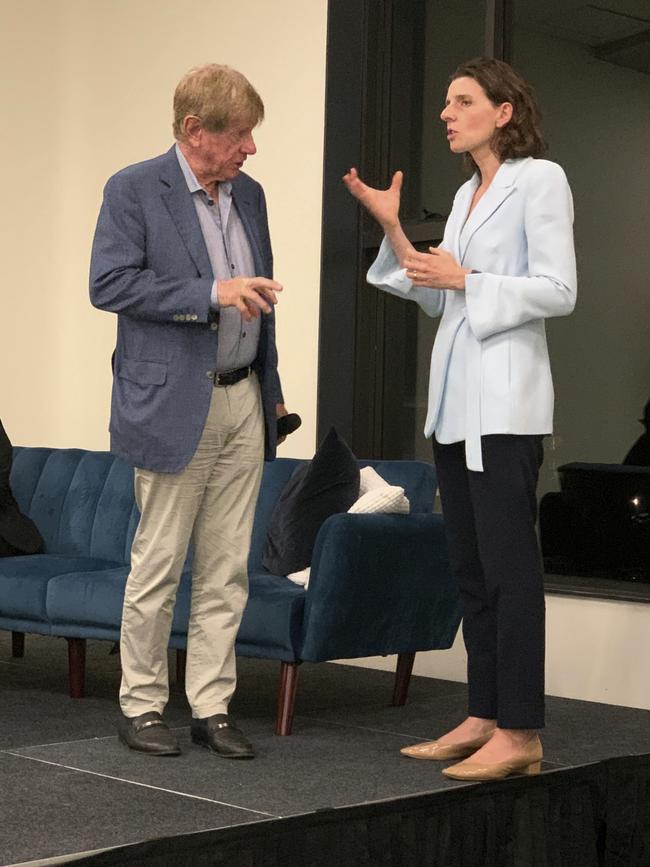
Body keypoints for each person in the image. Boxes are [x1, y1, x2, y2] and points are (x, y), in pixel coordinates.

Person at [344, 57, 576, 781]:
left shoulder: (540, 178)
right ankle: (484, 713)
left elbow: (559, 289)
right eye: (445, 101)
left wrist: (467, 278)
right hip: (455, 408)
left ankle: (522, 730)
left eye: (463, 100)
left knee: (511, 572)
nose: (446, 112)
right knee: (471, 571)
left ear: (504, 111)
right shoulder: (466, 192)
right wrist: (395, 232)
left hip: (505, 409)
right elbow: (442, 295)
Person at [90, 64, 287, 759]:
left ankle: (212, 703)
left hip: (242, 399)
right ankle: (142, 704)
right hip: (173, 402)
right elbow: (109, 282)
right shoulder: (135, 189)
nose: (249, 149)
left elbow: (257, 299)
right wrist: (209, 291)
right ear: (193, 130)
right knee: (160, 563)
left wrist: (274, 389)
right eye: (238, 135)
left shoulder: (251, 196)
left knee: (228, 565)